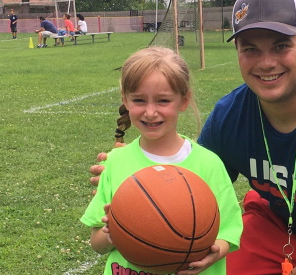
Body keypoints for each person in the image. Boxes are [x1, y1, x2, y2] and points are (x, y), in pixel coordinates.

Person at [90, 0, 296, 273]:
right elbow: (188, 188)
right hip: (277, 222)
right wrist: (133, 175)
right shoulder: (231, 115)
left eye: (281, 45)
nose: (266, 62)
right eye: (250, 49)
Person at [81, 46, 243, 275]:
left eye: (163, 101)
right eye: (139, 100)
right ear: (125, 101)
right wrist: (114, 230)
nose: (150, 112)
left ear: (183, 100)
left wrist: (214, 252)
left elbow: (229, 232)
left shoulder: (208, 164)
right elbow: (97, 244)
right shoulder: (115, 162)